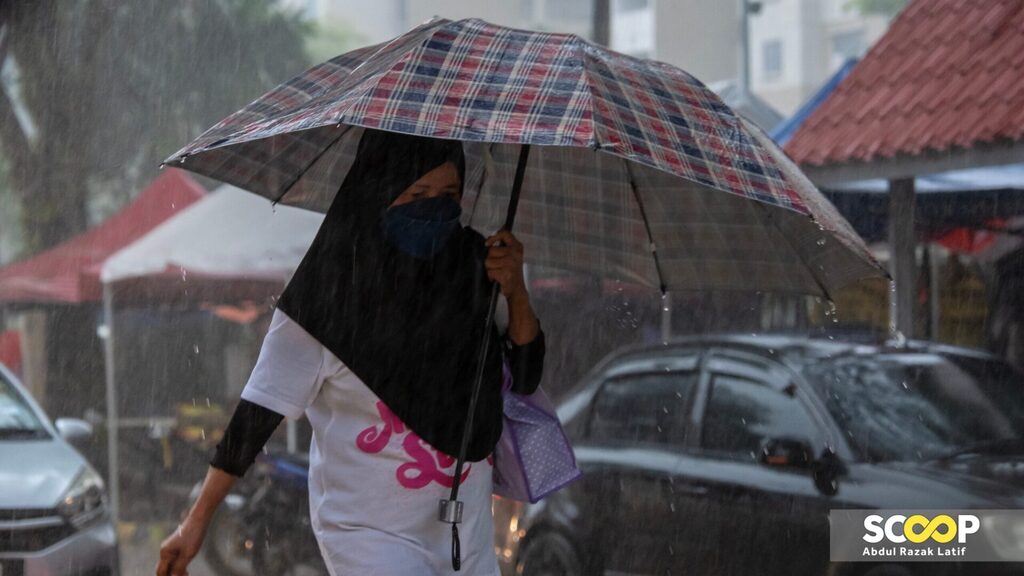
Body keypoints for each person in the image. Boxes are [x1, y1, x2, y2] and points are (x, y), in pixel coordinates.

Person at [156, 129, 545, 576]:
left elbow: (526, 373)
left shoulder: (479, 267)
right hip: (370, 534)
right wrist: (196, 520)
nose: (435, 207)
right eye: (418, 193)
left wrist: (515, 291)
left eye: (449, 193)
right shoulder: (329, 288)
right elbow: (258, 412)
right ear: (377, 189)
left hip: (465, 529)